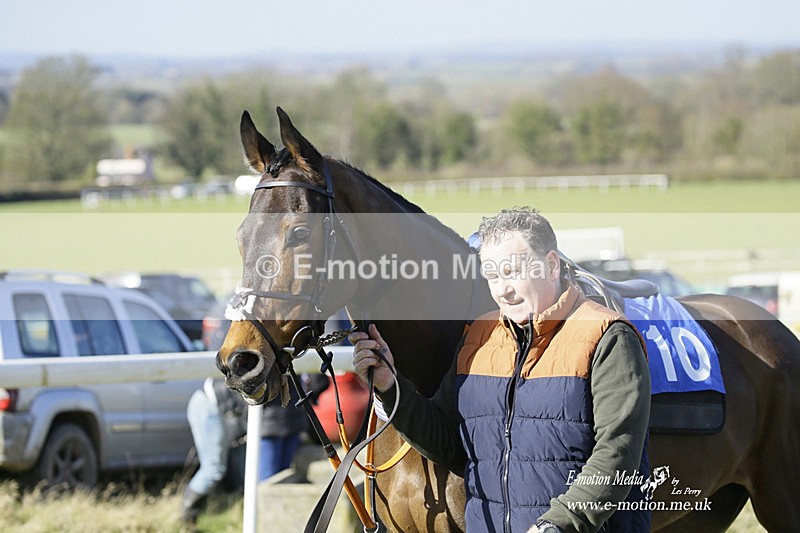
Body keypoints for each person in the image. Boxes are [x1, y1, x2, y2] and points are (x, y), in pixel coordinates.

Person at [351, 207, 651, 533]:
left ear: (551, 264)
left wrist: (558, 525)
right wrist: (390, 385)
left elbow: (616, 455)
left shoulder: (608, 336)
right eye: (492, 276)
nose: (502, 289)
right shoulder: (480, 336)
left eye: (512, 271)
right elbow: (450, 442)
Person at [182, 377, 248, 524]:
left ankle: (239, 515)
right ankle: (186, 519)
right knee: (213, 469)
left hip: (226, 409)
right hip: (210, 405)